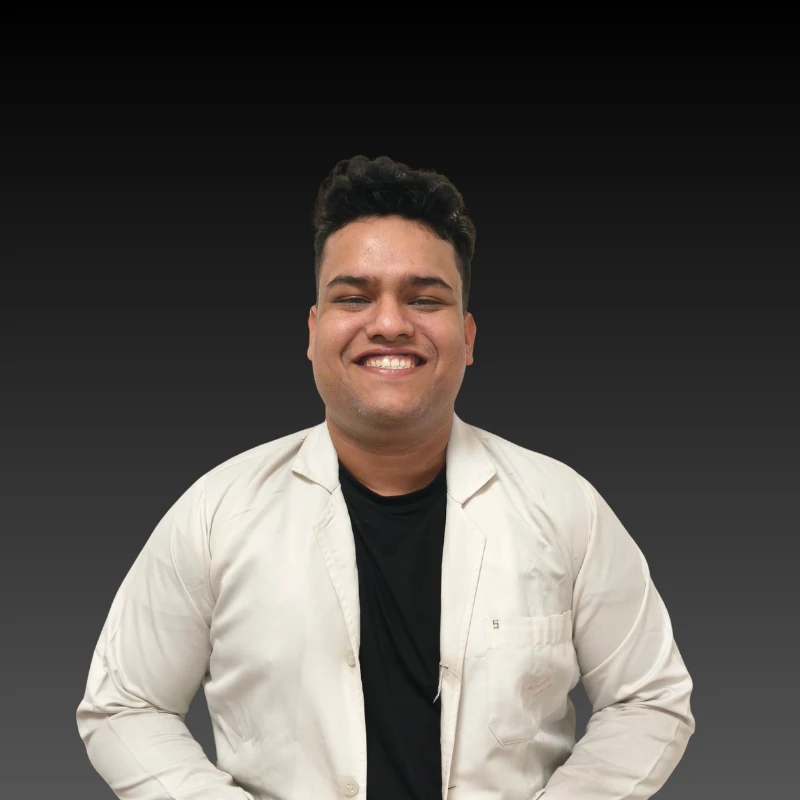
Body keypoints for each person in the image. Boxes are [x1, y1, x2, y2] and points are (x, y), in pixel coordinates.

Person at [76, 155, 695, 800]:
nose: (391, 324)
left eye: (425, 299)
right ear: (314, 332)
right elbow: (124, 705)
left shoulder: (564, 506)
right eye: (353, 297)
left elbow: (648, 699)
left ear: (468, 335)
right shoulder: (217, 511)